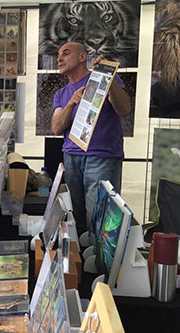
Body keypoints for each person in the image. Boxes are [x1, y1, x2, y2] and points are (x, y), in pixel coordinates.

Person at [51, 42, 131, 236]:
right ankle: (81, 262)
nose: (59, 58)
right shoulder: (61, 94)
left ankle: (101, 265)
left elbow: (124, 109)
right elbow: (56, 128)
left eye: (66, 53)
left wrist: (108, 77)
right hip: (71, 158)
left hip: (101, 157)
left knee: (99, 220)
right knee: (75, 218)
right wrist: (71, 103)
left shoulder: (104, 78)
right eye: (58, 55)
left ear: (82, 57)